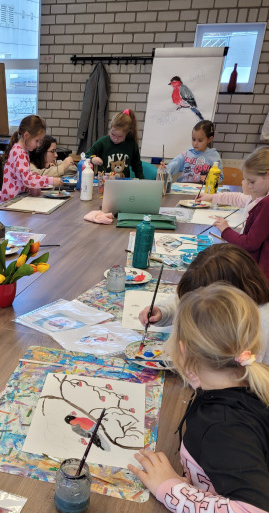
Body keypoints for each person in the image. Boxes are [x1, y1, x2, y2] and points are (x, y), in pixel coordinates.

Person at [129, 283, 269, 513]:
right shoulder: (252, 378)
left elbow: (253, 509)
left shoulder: (223, 428)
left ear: (183, 350)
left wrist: (171, 489)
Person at [138, 244, 269, 364]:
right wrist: (164, 312)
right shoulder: (223, 303)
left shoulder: (261, 327)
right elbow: (184, 301)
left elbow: (250, 373)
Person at [213, 146, 269, 279]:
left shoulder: (266, 204)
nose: (249, 186)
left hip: (260, 274)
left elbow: (250, 243)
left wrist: (227, 231)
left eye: (252, 181)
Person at [0, 115, 63, 202]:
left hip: (15, 200)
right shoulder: (19, 152)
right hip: (10, 202)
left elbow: (23, 177)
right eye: (37, 140)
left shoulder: (21, 150)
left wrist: (33, 175)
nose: (38, 145)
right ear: (26, 135)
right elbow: (28, 180)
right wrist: (51, 180)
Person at [85, 109, 144, 179]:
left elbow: (137, 166)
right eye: (113, 134)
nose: (115, 139)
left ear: (127, 133)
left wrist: (142, 181)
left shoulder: (131, 144)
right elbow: (86, 155)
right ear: (110, 129)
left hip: (123, 182)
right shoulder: (103, 142)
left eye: (120, 136)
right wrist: (92, 159)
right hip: (104, 181)